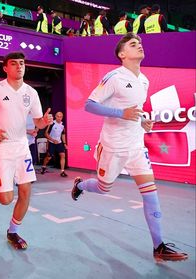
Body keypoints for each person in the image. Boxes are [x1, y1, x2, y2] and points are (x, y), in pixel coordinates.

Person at [71, 33, 188, 262]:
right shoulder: (114, 77)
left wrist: (141, 121)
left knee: (151, 195)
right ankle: (81, 185)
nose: (139, 46)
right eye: (133, 44)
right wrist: (120, 113)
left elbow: (134, 109)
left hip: (136, 146)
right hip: (113, 146)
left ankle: (159, 247)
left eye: (140, 43)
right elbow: (89, 105)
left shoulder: (144, 80)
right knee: (104, 188)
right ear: (122, 54)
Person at [0, 52, 53, 250]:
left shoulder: (31, 93)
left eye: (22, 63)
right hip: (2, 150)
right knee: (6, 199)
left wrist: (44, 122)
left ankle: (13, 232)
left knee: (25, 191)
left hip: (22, 148)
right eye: (14, 64)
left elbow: (38, 121)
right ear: (5, 68)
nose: (19, 67)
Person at [41, 111, 68, 177]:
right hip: (51, 143)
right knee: (48, 157)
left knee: (62, 155)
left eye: (61, 116)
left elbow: (63, 134)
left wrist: (64, 143)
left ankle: (62, 171)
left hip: (59, 143)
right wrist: (53, 140)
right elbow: (46, 133)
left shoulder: (62, 125)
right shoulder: (52, 123)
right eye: (58, 116)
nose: (59, 118)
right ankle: (44, 167)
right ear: (55, 116)